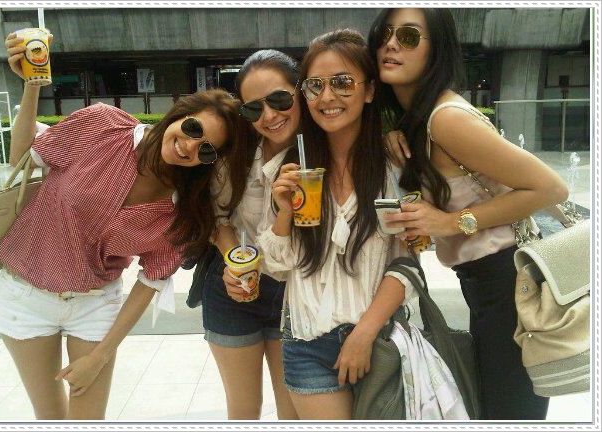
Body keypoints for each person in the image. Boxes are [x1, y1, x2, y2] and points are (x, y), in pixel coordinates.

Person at [0, 32, 251, 420]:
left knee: (88, 419)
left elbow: (151, 279)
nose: (189, 146)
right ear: (180, 114)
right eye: (193, 129)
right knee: (49, 416)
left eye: (206, 149)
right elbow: (22, 155)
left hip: (95, 303)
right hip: (26, 294)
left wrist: (100, 355)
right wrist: (31, 85)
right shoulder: (103, 126)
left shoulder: (180, 210)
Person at [367, 8, 569, 420]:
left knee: (509, 413)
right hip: (488, 282)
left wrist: (448, 222)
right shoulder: (422, 119)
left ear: (435, 49)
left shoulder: (446, 120)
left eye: (408, 36)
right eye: (384, 34)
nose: (391, 44)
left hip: (509, 282)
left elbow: (550, 188)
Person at [256, 29, 419, 420]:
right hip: (307, 342)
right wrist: (284, 212)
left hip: (379, 337)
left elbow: (409, 262)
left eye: (343, 82)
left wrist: (364, 333)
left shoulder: (396, 167)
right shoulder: (288, 169)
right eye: (315, 86)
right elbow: (277, 266)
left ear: (369, 90)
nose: (327, 97)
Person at [200, 50, 300, 420]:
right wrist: (234, 263)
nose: (269, 116)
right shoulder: (236, 153)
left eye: (280, 100)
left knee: (293, 411)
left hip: (295, 293)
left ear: (301, 91)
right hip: (233, 288)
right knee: (243, 411)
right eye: (254, 108)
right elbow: (218, 218)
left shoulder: (326, 150)